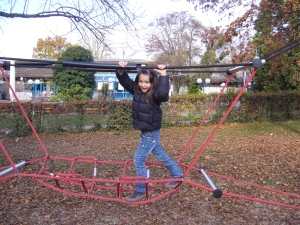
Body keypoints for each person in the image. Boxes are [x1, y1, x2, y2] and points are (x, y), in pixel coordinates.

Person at [116, 61, 183, 201]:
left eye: (147, 82)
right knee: (161, 155)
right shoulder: (136, 90)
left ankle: (140, 189)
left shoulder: (155, 95)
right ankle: (178, 176)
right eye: (141, 81)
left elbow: (164, 94)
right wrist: (121, 70)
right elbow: (125, 81)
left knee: (138, 159)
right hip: (147, 132)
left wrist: (164, 75)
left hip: (151, 132)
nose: (143, 85)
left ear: (153, 84)